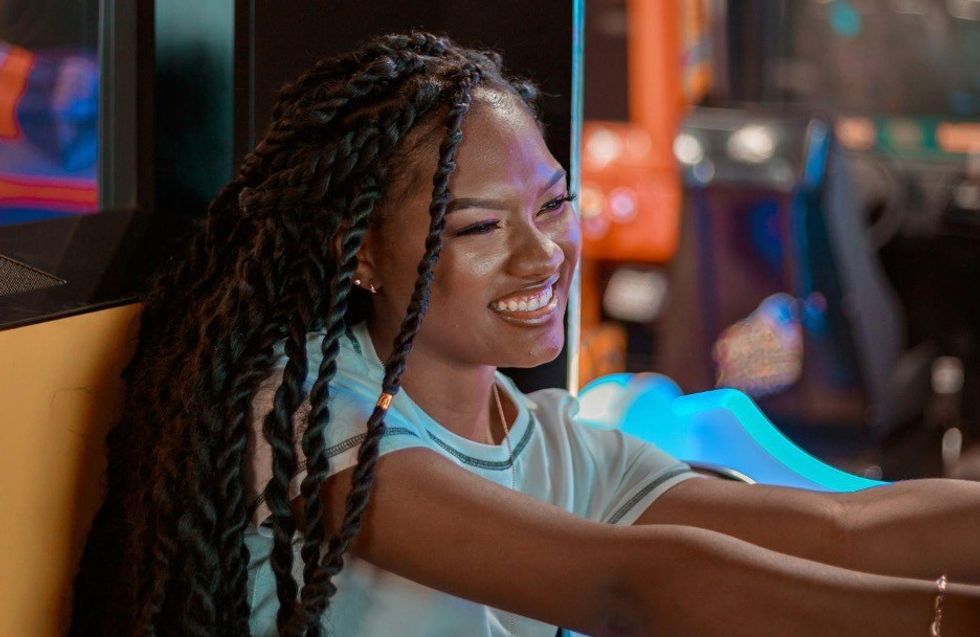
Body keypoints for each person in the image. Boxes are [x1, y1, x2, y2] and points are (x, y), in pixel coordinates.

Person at [69, 31, 980, 637]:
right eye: (477, 227)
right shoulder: (306, 415)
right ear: (363, 256)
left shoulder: (547, 444)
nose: (542, 252)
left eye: (554, 203)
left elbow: (839, 528)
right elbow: (624, 583)